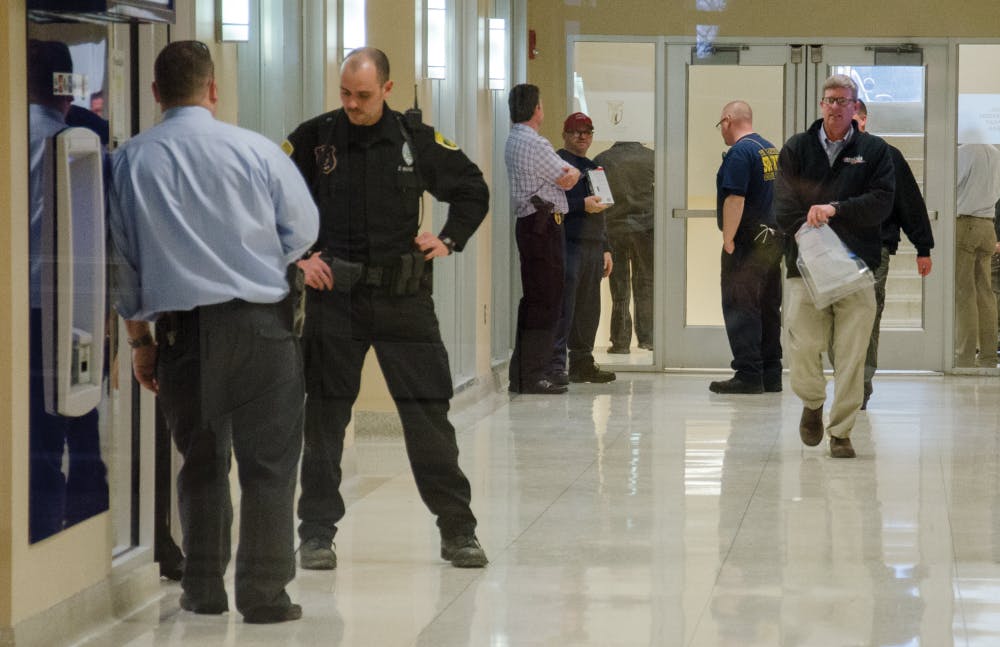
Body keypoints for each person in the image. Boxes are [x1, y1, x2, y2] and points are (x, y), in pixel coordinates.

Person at [108, 40, 318, 623]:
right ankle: (265, 595)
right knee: (270, 467)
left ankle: (202, 588)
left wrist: (140, 343)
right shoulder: (257, 151)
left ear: (155, 93)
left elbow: (123, 266)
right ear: (213, 89)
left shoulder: (129, 161)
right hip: (262, 331)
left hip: (182, 337)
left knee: (201, 462)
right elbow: (302, 234)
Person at [284, 47, 490, 570]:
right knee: (325, 420)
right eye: (346, 94)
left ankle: (458, 530)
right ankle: (315, 534)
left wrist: (448, 239)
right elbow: (266, 200)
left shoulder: (415, 140)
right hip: (336, 302)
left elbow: (472, 189)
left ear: (388, 90)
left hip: (404, 301)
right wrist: (298, 258)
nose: (353, 104)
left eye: (364, 96)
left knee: (428, 417)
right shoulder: (316, 138)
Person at [774, 74, 895, 459]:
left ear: (855, 107)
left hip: (857, 270)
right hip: (805, 268)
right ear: (821, 105)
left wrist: (836, 210)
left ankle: (841, 431)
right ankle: (812, 402)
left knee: (851, 353)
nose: (836, 107)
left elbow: (881, 201)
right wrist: (809, 232)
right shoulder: (797, 148)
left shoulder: (874, 151)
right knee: (804, 344)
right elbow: (783, 205)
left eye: (844, 100)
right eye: (830, 100)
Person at [27, 39, 109, 543]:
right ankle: (83, 529)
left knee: (35, 432)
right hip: (73, 307)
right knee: (80, 419)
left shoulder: (22, 139)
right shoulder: (81, 142)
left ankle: (42, 524)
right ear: (66, 87)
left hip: (22, 310)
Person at [854, 100, 935, 405]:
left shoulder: (887, 156)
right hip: (835, 251)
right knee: (836, 319)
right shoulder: (827, 157)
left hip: (876, 248)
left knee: (868, 318)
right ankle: (848, 377)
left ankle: (859, 385)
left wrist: (923, 247)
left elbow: (909, 203)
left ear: (864, 120)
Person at [505, 83, 580, 394]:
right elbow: (569, 174)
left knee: (533, 301)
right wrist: (567, 177)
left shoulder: (513, 139)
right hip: (544, 225)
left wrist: (564, 178)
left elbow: (564, 175)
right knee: (547, 302)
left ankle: (521, 373)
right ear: (536, 109)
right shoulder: (536, 144)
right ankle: (534, 373)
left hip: (528, 225)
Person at [709, 100, 783, 395]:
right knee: (767, 306)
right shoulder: (769, 149)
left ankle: (749, 373)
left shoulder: (740, 153)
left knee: (741, 306)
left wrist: (728, 239)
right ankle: (771, 372)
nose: (721, 132)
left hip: (748, 244)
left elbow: (735, 199)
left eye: (720, 125)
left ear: (728, 120)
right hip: (771, 241)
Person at [550, 112, 615, 384]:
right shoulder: (555, 164)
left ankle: (582, 363)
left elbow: (602, 209)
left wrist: (606, 247)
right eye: (576, 131)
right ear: (565, 134)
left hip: (592, 246)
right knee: (565, 306)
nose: (582, 136)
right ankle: (554, 366)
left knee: (589, 308)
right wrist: (580, 205)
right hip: (567, 244)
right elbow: (550, 204)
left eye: (587, 131)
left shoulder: (593, 167)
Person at [592, 141, 655, 353]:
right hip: (646, 228)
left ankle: (620, 342)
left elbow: (597, 198)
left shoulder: (601, 160)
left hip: (614, 228)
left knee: (619, 288)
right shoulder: (653, 157)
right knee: (645, 283)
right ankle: (648, 338)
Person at [954, 143, 1000, 367]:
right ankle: (989, 356)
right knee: (986, 292)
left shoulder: (965, 151)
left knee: (964, 293)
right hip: (987, 225)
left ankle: (964, 356)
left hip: (965, 222)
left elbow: (950, 185)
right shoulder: (994, 152)